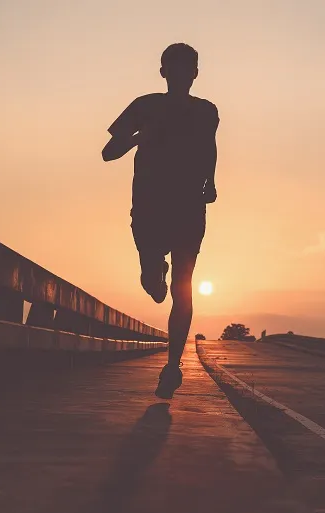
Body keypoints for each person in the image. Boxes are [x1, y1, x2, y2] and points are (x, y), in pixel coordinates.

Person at [102, 43, 219, 399]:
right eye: (175, 68)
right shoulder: (144, 106)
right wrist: (140, 136)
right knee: (155, 285)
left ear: (196, 73)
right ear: (163, 72)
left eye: (189, 69)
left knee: (184, 287)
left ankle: (172, 367)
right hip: (150, 208)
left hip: (188, 208)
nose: (183, 75)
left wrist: (210, 181)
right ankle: (153, 274)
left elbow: (210, 147)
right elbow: (108, 153)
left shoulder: (207, 111)